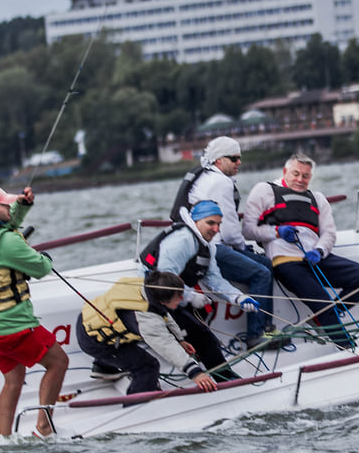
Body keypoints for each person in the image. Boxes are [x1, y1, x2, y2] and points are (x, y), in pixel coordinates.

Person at [0, 185, 69, 438]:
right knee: (58, 362)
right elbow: (41, 268)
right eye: (4, 205)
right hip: (14, 326)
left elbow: (3, 228)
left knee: (13, 380)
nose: (9, 207)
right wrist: (47, 258)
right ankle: (43, 427)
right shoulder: (7, 242)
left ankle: (4, 438)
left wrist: (22, 207)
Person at [242, 153, 359, 348]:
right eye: (296, 173)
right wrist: (277, 231)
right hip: (286, 261)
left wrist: (320, 250)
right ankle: (349, 347)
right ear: (285, 172)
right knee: (323, 303)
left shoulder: (317, 198)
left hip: (316, 257)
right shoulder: (264, 191)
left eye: (306, 176)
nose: (300, 179)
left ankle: (320, 318)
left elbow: (329, 234)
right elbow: (247, 230)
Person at [170, 136, 276, 346]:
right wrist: (244, 247)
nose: (239, 163)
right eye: (234, 158)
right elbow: (228, 231)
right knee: (262, 273)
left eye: (239, 158)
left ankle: (268, 328)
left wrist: (243, 249)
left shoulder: (206, 176)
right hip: (212, 247)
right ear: (219, 160)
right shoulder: (221, 182)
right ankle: (256, 335)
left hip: (204, 244)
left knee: (266, 264)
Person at [139, 200, 260, 376]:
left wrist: (239, 298)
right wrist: (190, 296)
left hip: (172, 296)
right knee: (202, 335)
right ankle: (224, 378)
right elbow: (164, 276)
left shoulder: (206, 245)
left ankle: (201, 364)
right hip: (153, 296)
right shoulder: (182, 240)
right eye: (210, 223)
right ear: (196, 221)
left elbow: (213, 278)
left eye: (219, 224)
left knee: (203, 316)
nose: (216, 229)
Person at [75, 270, 220, 397]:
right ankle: (136, 402)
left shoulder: (148, 289)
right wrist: (195, 372)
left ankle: (104, 368)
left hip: (90, 320)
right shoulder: (145, 319)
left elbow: (164, 315)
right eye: (179, 296)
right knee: (148, 366)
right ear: (165, 299)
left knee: (126, 332)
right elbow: (165, 344)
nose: (182, 299)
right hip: (95, 341)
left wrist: (180, 340)